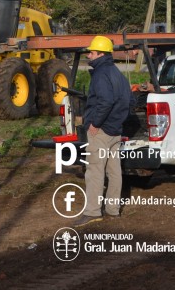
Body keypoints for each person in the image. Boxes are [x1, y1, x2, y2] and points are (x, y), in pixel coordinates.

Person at [74, 35, 135, 227]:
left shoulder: (100, 75)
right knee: (114, 170)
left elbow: (105, 101)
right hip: (116, 130)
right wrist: (117, 121)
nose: (89, 55)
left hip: (101, 131)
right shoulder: (118, 74)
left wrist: (95, 123)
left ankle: (92, 212)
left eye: (91, 52)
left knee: (95, 171)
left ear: (101, 53)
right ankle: (112, 209)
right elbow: (130, 101)